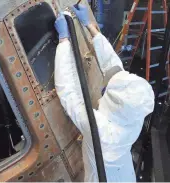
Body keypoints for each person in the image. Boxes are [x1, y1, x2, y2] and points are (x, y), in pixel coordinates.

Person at [54, 4, 155, 182]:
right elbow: (113, 67)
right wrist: (90, 27)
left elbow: (68, 93)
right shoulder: (133, 115)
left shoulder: (101, 130)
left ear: (114, 105)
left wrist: (63, 42)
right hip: (125, 174)